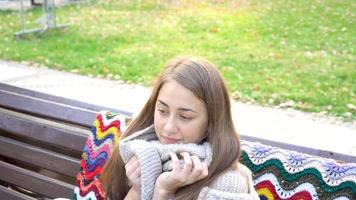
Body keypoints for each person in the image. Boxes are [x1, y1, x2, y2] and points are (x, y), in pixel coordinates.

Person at [101, 56, 259, 200]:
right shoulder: (139, 153)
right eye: (162, 111)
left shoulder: (227, 184)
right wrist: (137, 190)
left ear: (212, 122)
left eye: (185, 117)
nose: (168, 128)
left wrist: (163, 192)